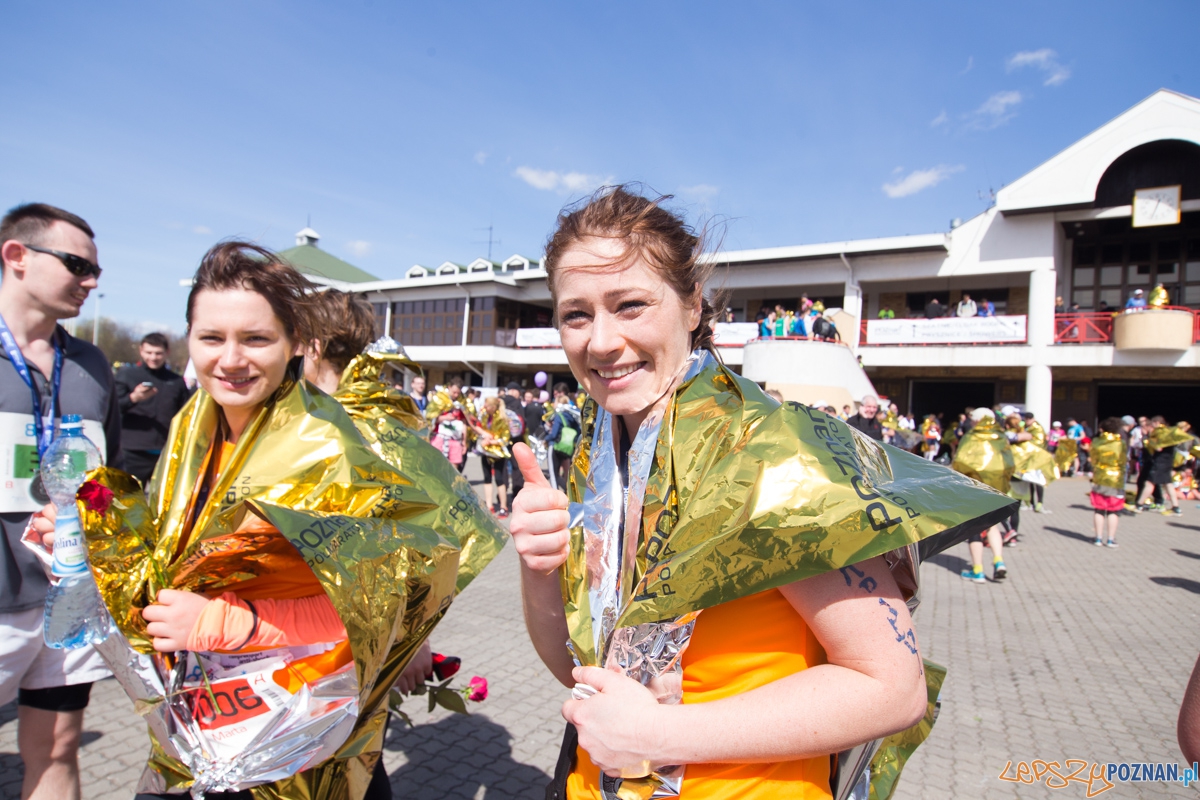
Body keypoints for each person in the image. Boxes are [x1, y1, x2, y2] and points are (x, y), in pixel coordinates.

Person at [509, 186, 1011, 800]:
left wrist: (663, 733)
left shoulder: (774, 452)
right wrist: (540, 569)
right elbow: (579, 671)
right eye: (576, 314)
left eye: (631, 304)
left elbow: (891, 688)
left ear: (692, 305)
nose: (602, 340)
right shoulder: (604, 455)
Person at [0, 203, 119, 800]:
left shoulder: (92, 364)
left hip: (68, 600)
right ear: (16, 257)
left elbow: (109, 481)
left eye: (95, 270)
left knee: (57, 752)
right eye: (77, 264)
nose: (91, 281)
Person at [115, 332, 191, 484]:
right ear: (141, 351)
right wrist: (133, 398)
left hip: (166, 452)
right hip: (133, 451)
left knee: (164, 504)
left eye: (158, 353)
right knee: (127, 502)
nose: (153, 357)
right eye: (149, 352)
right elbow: (112, 408)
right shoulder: (126, 375)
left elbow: (186, 413)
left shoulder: (176, 381)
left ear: (167, 353)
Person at [953, 408, 1011, 581]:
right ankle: (999, 561)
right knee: (993, 525)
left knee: (974, 529)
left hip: (975, 489)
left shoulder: (971, 437)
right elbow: (1009, 463)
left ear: (977, 421)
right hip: (996, 489)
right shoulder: (1001, 437)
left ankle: (978, 570)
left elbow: (960, 462)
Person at [1090, 417, 1128, 547]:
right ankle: (1111, 539)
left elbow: (1093, 460)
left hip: (1099, 477)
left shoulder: (1096, 441)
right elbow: (1123, 462)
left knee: (1099, 509)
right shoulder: (1120, 443)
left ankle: (1098, 538)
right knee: (1113, 510)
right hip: (1115, 479)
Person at [427, 376, 471, 472]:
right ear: (449, 387)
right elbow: (430, 417)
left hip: (455, 438)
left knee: (454, 468)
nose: (455, 395)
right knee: (436, 465)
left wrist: (464, 441)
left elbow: (464, 422)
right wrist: (444, 417)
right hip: (440, 436)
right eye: (454, 392)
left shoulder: (462, 402)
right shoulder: (439, 398)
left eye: (458, 393)